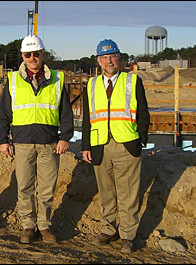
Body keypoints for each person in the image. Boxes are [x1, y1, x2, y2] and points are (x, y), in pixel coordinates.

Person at [0, 35, 74, 244]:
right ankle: (28, 226)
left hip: (49, 143)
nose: (32, 58)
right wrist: (3, 140)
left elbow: (66, 112)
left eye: (36, 54)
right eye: (28, 55)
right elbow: (3, 113)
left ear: (43, 55)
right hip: (22, 143)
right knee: (25, 187)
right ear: (23, 56)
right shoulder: (13, 80)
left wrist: (65, 137)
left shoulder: (57, 79)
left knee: (47, 188)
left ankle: (44, 225)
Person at [81, 39, 150, 253]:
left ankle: (128, 235)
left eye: (112, 56)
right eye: (104, 57)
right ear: (99, 61)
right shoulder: (91, 85)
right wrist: (86, 146)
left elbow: (144, 114)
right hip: (100, 144)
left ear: (119, 58)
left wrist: (140, 140)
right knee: (106, 191)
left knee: (128, 192)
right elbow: (87, 118)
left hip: (126, 144)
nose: (109, 61)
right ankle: (108, 230)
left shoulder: (133, 81)